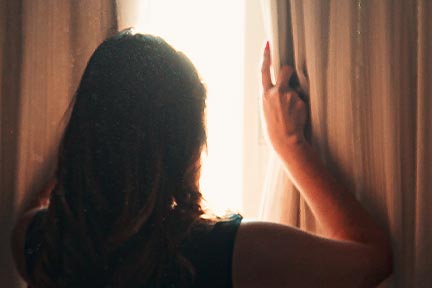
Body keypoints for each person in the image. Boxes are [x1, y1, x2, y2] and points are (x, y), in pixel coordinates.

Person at [11, 30, 392, 288]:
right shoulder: (225, 252)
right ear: (187, 144)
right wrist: (292, 145)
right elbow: (372, 258)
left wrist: (88, 144)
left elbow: (36, 207)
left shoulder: (40, 244)